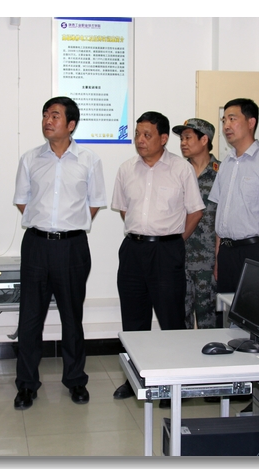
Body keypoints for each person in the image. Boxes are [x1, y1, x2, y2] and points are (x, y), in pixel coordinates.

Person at [13, 96, 106, 410]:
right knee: (30, 319)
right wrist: (47, 226)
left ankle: (76, 380)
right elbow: (22, 200)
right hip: (36, 245)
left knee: (72, 317)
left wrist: (67, 227)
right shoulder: (29, 159)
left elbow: (94, 203)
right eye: (45, 115)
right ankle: (26, 384)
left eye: (54, 115)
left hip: (72, 247)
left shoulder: (89, 160)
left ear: (71, 124)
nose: (47, 120)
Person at [111, 111, 205, 401]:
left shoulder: (181, 169)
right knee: (133, 321)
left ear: (163, 139)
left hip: (166, 251)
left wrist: (173, 240)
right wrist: (144, 232)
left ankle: (173, 383)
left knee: (171, 320)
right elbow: (124, 209)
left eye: (147, 135)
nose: (140, 140)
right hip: (133, 250)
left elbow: (195, 211)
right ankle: (135, 380)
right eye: (137, 134)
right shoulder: (126, 169)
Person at [209, 98, 259, 297]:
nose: (226, 125)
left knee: (252, 309)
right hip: (226, 253)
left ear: (251, 122)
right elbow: (221, 214)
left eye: (232, 119)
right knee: (226, 310)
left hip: (254, 252)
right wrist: (218, 258)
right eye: (224, 120)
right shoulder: (226, 163)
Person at [172, 118, 219, 329]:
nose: (183, 143)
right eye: (181, 138)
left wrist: (219, 259)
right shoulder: (177, 172)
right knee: (179, 319)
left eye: (188, 138)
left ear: (204, 140)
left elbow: (225, 220)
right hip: (179, 258)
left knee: (209, 320)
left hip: (208, 262)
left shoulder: (221, 173)